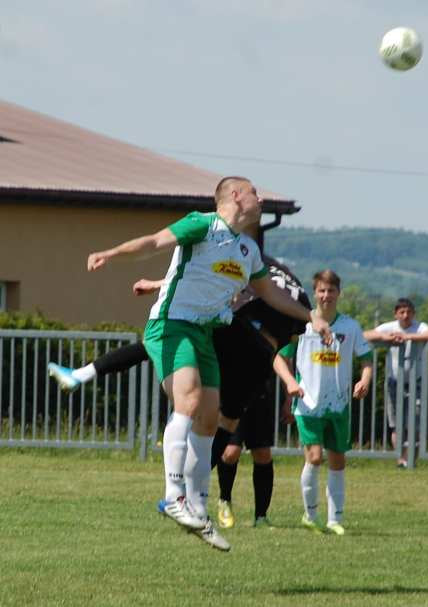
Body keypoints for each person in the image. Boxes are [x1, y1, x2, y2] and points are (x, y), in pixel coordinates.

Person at [84, 176, 330, 551]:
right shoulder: (202, 224)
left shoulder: (247, 250)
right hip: (172, 325)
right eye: (254, 192)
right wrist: (112, 254)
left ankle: (198, 507)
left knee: (210, 418)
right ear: (235, 196)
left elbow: (271, 294)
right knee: (190, 401)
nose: (260, 198)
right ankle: (173, 496)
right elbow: (153, 242)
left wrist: (310, 316)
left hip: (204, 332)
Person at [48, 256, 311, 530]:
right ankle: (191, 494)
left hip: (238, 334)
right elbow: (287, 340)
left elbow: (208, 280)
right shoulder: (297, 291)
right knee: (225, 425)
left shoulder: (250, 262)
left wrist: (156, 284)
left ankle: (83, 373)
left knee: (157, 343)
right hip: (259, 359)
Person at [279, 269, 372, 535]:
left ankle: (334, 520)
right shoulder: (302, 325)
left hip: (338, 405)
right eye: (321, 290)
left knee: (337, 460)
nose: (326, 295)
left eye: (331, 290)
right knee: (315, 457)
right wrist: (290, 382)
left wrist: (364, 380)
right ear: (314, 293)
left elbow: (366, 360)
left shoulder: (350, 327)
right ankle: (310, 514)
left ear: (338, 293)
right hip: (308, 404)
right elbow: (279, 357)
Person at [363, 298, 428, 467]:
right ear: (396, 314)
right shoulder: (389, 327)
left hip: (416, 381)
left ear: (414, 313)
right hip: (394, 381)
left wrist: (408, 337)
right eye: (402, 312)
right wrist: (384, 336)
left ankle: (411, 459)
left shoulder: (420, 327)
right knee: (396, 425)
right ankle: (401, 460)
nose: (405, 316)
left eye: (409, 312)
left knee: (416, 425)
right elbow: (365, 334)